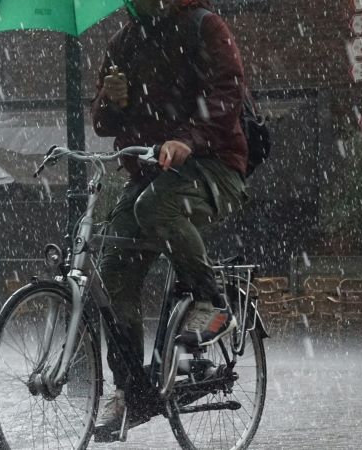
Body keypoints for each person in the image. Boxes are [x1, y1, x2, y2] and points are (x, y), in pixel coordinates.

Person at [89, 0, 248, 437]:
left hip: (215, 167)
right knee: (113, 270)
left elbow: (227, 96)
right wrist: (111, 102)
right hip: (151, 173)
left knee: (153, 207)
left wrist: (187, 140)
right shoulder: (123, 43)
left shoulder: (204, 26)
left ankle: (213, 304)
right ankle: (132, 391)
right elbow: (101, 122)